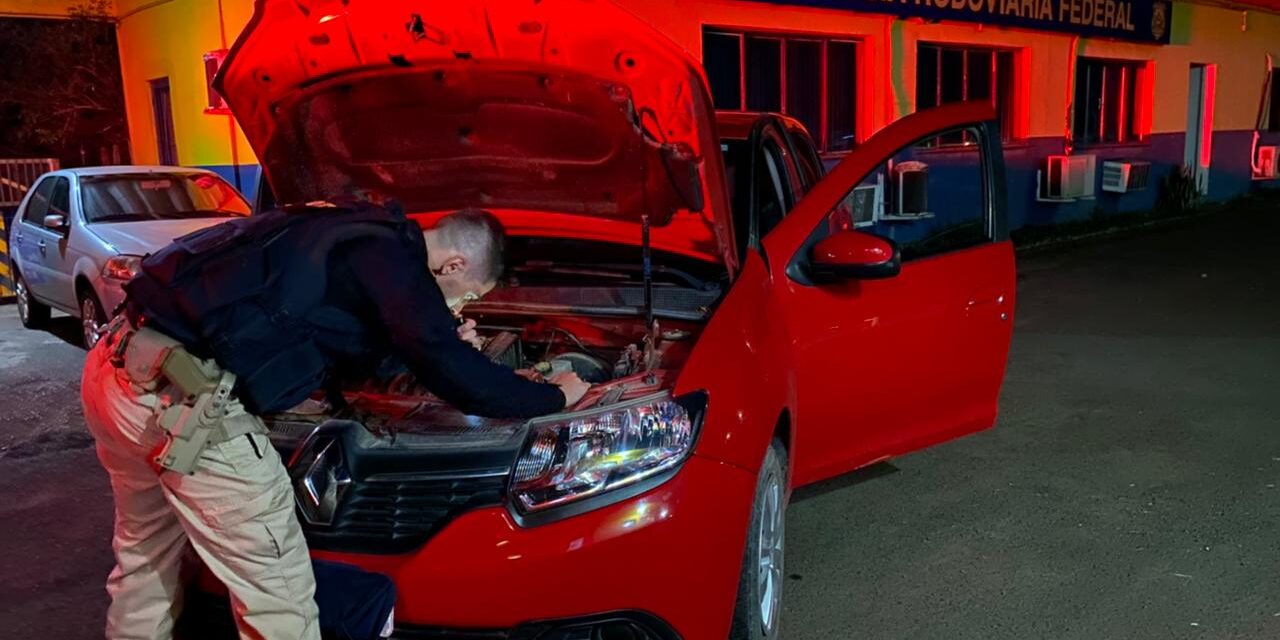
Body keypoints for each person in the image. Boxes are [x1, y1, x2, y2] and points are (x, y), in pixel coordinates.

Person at [80, 199, 589, 640]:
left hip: (119, 368)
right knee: (280, 593)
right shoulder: (393, 261)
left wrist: (441, 344)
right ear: (454, 264)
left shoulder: (349, 232)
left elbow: (344, 342)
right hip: (191, 412)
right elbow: (456, 375)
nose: (464, 305)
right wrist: (552, 397)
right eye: (471, 295)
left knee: (146, 558)